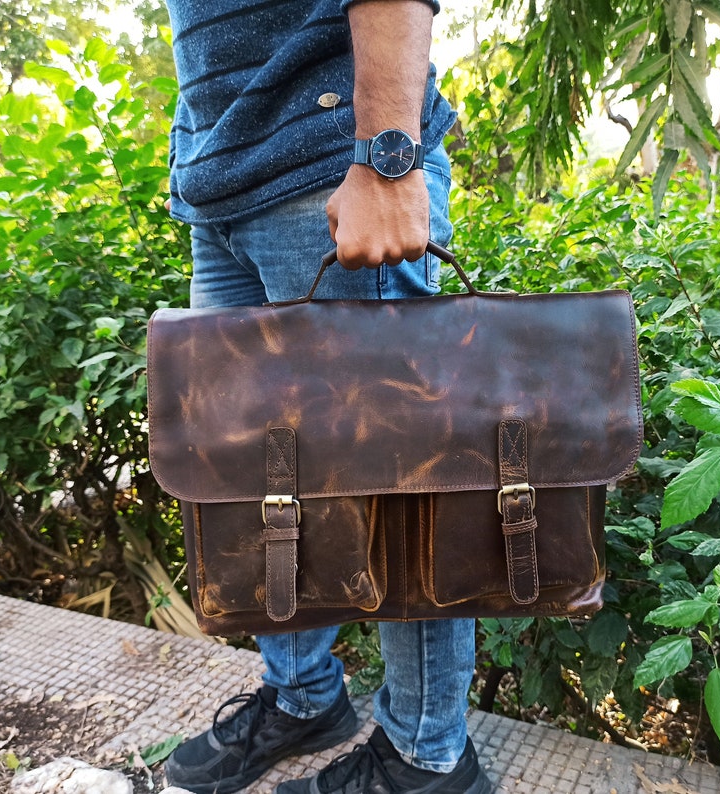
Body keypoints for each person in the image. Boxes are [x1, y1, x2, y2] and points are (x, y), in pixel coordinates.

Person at [160, 1, 493, 792]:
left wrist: (388, 159)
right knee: (260, 473)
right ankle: (305, 694)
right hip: (221, 189)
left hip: (331, 171)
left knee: (404, 481)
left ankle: (427, 756)